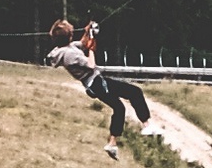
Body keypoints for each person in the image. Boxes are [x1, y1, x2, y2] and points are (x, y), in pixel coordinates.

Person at [47, 17, 150, 157]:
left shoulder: (66, 48)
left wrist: (87, 32)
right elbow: (91, 65)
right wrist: (91, 49)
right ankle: (147, 126)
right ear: (69, 36)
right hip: (96, 83)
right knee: (135, 92)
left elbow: (82, 44)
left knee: (119, 108)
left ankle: (112, 144)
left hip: (95, 84)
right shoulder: (68, 54)